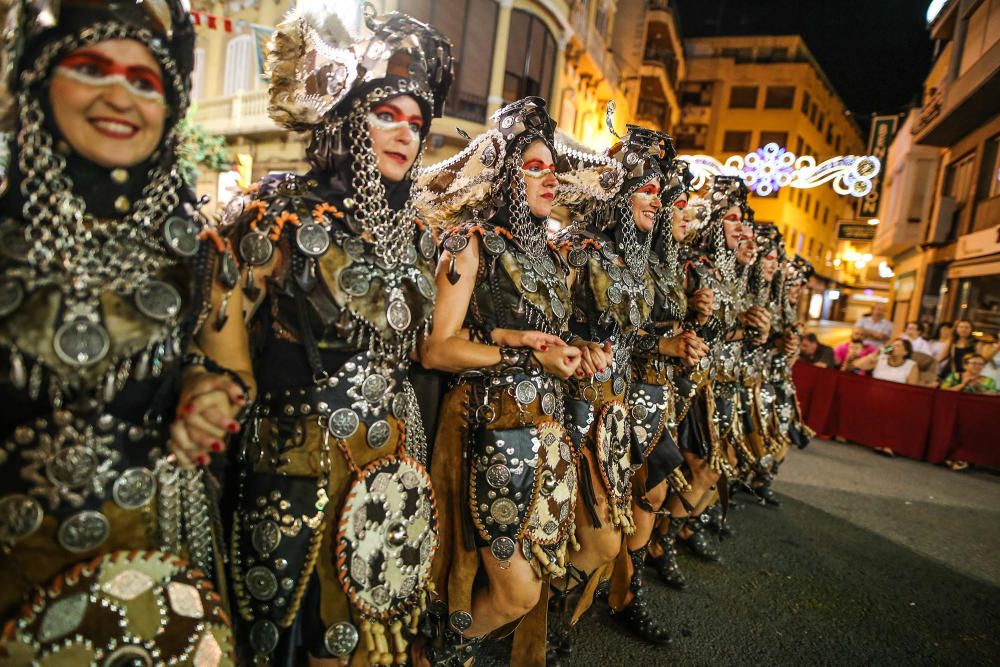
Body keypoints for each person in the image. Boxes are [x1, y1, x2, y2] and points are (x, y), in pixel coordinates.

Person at [0, 0, 241, 661]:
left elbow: (229, 368)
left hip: (146, 562)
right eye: (91, 67)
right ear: (39, 79)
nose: (120, 95)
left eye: (145, 81)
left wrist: (204, 389)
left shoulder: (198, 251)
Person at [219, 7, 454, 664]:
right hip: (290, 464)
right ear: (351, 121)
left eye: (417, 124)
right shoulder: (277, 211)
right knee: (288, 632)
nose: (405, 134)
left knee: (358, 635)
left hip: (385, 459)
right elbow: (222, 348)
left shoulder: (419, 235)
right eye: (388, 115)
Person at [416, 97, 594, 664]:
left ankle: (447, 650)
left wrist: (579, 352)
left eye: (553, 168)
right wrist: (521, 353)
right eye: (534, 168)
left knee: (539, 576)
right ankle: (438, 653)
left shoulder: (552, 256)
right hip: (483, 429)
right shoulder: (469, 243)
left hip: (546, 432)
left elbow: (548, 337)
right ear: (506, 176)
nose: (550, 179)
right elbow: (437, 348)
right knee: (517, 588)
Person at [854, 338, 919, 385]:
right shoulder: (880, 358)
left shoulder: (911, 365)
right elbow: (857, 365)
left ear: (906, 352)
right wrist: (876, 353)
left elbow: (911, 389)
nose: (893, 348)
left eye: (897, 346)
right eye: (892, 346)